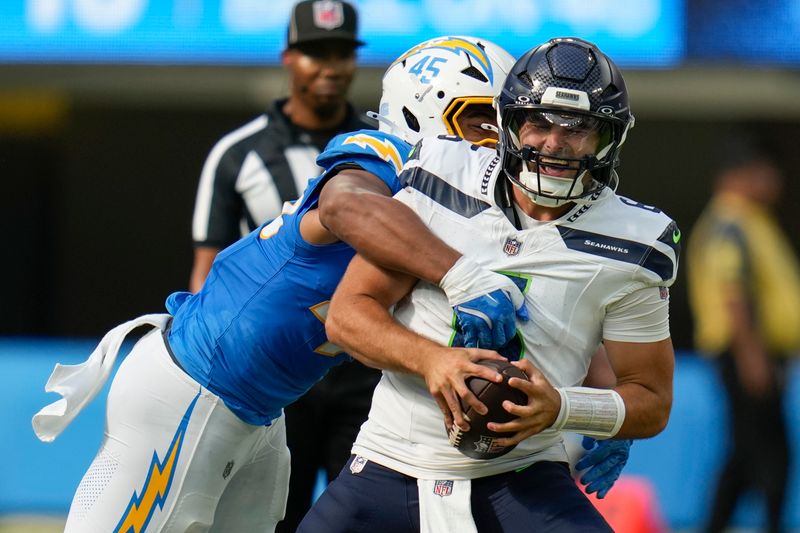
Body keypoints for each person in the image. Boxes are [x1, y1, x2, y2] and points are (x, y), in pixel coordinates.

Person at [32, 36, 529, 533]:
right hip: (193, 386)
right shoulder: (390, 156)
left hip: (262, 411)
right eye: (482, 119)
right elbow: (342, 206)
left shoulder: (466, 205)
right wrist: (457, 273)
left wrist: (594, 411)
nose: (496, 139)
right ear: (424, 112)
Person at [303, 37, 680, 532]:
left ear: (610, 138)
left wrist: (567, 408)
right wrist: (432, 360)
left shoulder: (636, 240)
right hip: (390, 460)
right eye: (538, 123)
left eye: (579, 128)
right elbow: (350, 316)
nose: (554, 143)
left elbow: (650, 399)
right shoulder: (438, 172)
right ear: (508, 124)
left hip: (522, 473)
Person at [190, 2, 376, 529]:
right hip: (273, 374)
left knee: (365, 517)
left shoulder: (386, 150)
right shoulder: (238, 154)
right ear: (288, 58)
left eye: (341, 53)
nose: (330, 66)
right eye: (316, 53)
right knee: (270, 517)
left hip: (362, 368)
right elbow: (208, 275)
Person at [687, 133, 800, 533]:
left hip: (754, 352)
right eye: (763, 173)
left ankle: (715, 525)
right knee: (772, 455)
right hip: (745, 352)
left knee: (747, 454)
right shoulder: (730, 221)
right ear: (740, 175)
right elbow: (734, 293)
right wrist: (753, 357)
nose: (773, 181)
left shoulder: (751, 219)